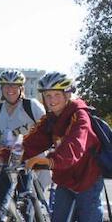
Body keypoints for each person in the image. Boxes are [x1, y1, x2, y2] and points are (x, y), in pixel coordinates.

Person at [22, 72, 103, 221]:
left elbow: (75, 145)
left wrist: (51, 161)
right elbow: (32, 143)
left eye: (56, 95)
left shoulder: (79, 115)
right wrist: (5, 155)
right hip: (65, 178)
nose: (51, 100)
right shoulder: (52, 118)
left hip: (87, 178)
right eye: (48, 96)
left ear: (67, 95)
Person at [0, 69, 49, 213]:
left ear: (21, 88)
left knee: (26, 204)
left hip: (31, 160)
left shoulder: (31, 106)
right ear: (1, 89)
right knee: (3, 205)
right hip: (4, 161)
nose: (10, 89)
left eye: (14, 86)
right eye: (6, 86)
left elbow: (49, 128)